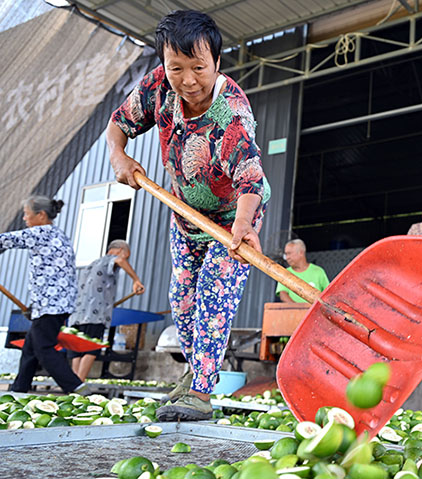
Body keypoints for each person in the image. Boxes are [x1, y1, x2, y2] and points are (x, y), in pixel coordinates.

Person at [107, 10, 269, 421]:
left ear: (216, 62)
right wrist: (119, 155)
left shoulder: (233, 116)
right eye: (176, 67)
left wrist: (245, 225)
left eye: (199, 67)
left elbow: (251, 180)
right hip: (186, 217)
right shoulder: (158, 86)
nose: (188, 79)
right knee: (181, 302)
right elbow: (118, 123)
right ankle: (196, 375)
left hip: (234, 219)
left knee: (215, 293)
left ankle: (200, 391)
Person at [0, 196, 89, 395]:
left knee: (43, 348)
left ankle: (77, 387)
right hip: (55, 303)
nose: (24, 218)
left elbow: (7, 240)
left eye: (26, 214)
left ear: (40, 215)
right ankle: (19, 390)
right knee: (30, 350)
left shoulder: (41, 232)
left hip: (51, 305)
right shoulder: (58, 234)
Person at [67, 240, 145, 381]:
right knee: (91, 348)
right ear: (121, 250)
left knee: (77, 351)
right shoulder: (110, 260)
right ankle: (79, 383)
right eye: (127, 255)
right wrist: (136, 280)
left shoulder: (92, 264)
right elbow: (120, 260)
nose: (126, 259)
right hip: (94, 314)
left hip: (77, 314)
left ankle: (73, 383)